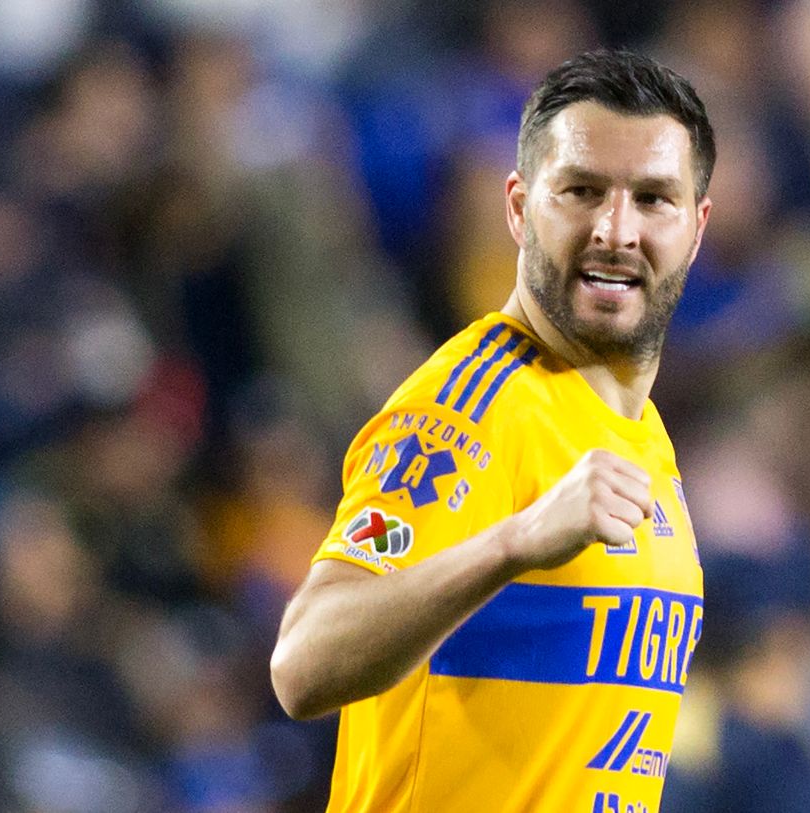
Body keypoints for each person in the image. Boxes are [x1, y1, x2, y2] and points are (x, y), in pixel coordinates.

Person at [271, 49, 715, 812]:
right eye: (581, 191)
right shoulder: (467, 409)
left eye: (653, 199)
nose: (616, 230)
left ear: (697, 226)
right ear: (517, 207)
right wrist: (512, 543)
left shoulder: (641, 435)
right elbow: (304, 662)